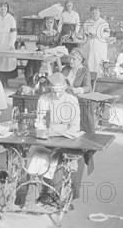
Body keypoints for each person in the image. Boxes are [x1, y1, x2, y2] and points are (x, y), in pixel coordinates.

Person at [24, 73, 81, 211]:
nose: (56, 95)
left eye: (59, 92)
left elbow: (75, 128)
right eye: (54, 91)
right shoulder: (44, 99)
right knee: (35, 156)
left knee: (58, 159)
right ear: (49, 88)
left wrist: (54, 131)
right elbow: (40, 120)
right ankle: (31, 199)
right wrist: (43, 128)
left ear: (65, 87)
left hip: (66, 140)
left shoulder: (72, 101)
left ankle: (55, 196)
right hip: (47, 139)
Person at [24, 17, 61, 85]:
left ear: (54, 24)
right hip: (41, 51)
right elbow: (38, 43)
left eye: (51, 22)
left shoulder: (56, 33)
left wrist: (49, 47)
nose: (49, 24)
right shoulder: (42, 33)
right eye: (47, 22)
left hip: (52, 52)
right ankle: (34, 80)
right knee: (32, 60)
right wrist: (40, 46)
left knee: (49, 61)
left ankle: (48, 80)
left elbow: (58, 44)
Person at [0, 1, 18, 87]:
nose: (2, 10)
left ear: (7, 9)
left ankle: (5, 80)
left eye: (4, 8)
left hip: (7, 41)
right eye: (1, 8)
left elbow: (13, 32)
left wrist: (11, 44)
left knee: (6, 61)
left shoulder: (11, 18)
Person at [83, 7, 110, 73]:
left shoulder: (104, 23)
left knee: (100, 62)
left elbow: (107, 34)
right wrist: (87, 34)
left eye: (96, 13)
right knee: (90, 61)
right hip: (90, 45)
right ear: (90, 14)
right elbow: (84, 33)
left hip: (100, 45)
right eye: (93, 13)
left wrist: (97, 35)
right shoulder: (87, 22)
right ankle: (90, 77)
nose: (94, 14)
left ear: (99, 13)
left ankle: (100, 77)